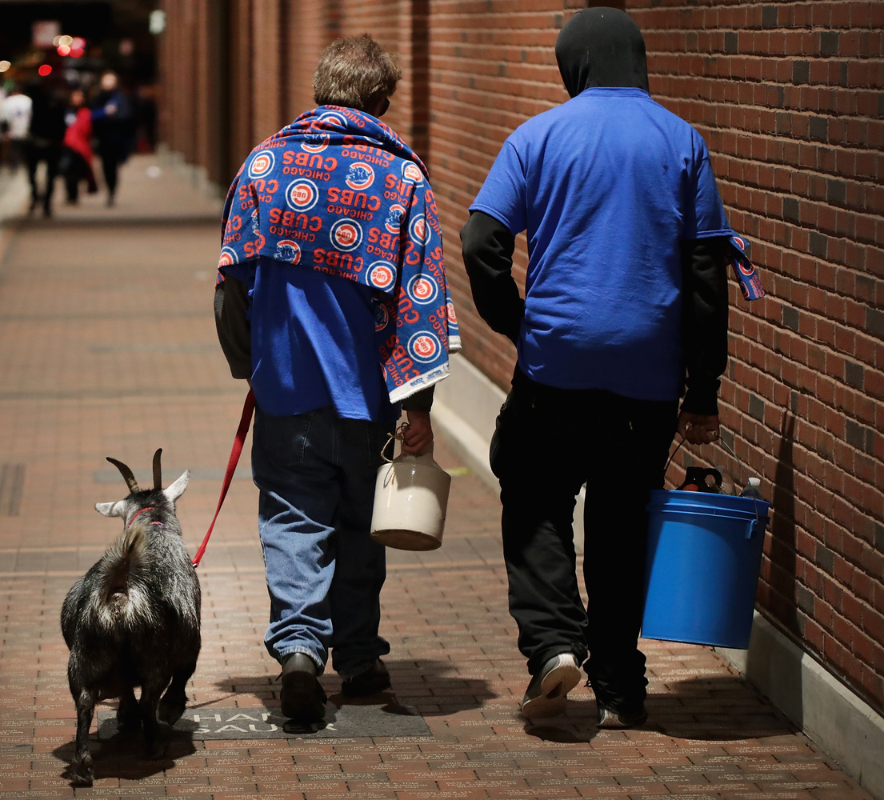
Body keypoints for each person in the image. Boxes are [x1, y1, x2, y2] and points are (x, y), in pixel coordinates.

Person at [461, 7, 749, 728]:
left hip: (555, 366)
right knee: (620, 528)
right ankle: (620, 685)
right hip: (646, 380)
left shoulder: (538, 137)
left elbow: (479, 242)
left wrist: (516, 320)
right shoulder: (682, 140)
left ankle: (555, 643)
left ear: (573, 64)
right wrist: (703, 388)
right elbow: (706, 273)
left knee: (534, 502)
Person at [215, 35, 460, 722]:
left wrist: (250, 365)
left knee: (293, 521)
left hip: (286, 394)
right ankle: (356, 661)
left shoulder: (264, 166)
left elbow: (231, 287)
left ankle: (298, 648)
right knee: (360, 526)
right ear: (381, 102)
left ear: (320, 92)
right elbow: (421, 301)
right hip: (368, 400)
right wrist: (418, 403)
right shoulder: (401, 179)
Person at [90, 72, 132, 207]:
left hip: (117, 139)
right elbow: (90, 116)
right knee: (106, 167)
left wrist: (113, 116)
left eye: (111, 81)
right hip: (102, 139)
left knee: (113, 167)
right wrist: (104, 113)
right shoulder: (97, 99)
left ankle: (112, 192)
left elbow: (126, 117)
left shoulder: (120, 99)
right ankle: (109, 189)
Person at [24, 81, 66, 217]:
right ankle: (40, 199)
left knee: (47, 175)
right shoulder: (36, 102)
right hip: (40, 142)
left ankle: (44, 201)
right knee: (41, 175)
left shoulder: (53, 104)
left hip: (49, 143)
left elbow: (61, 125)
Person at [62, 89, 98, 203]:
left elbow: (87, 129)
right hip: (67, 145)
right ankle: (70, 193)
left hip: (80, 146)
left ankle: (74, 194)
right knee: (67, 170)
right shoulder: (67, 111)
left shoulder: (85, 112)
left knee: (76, 172)